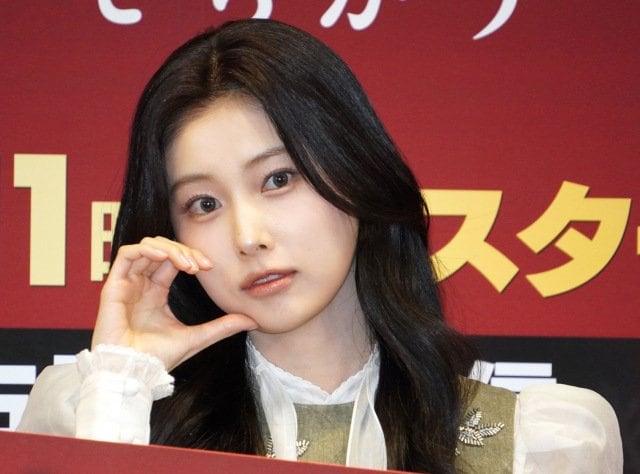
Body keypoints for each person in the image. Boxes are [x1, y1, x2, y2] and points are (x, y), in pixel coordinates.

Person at [17, 19, 622, 473]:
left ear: (353, 173)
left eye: (278, 179)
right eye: (204, 204)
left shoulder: (538, 443)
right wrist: (122, 384)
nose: (248, 237)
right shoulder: (93, 413)